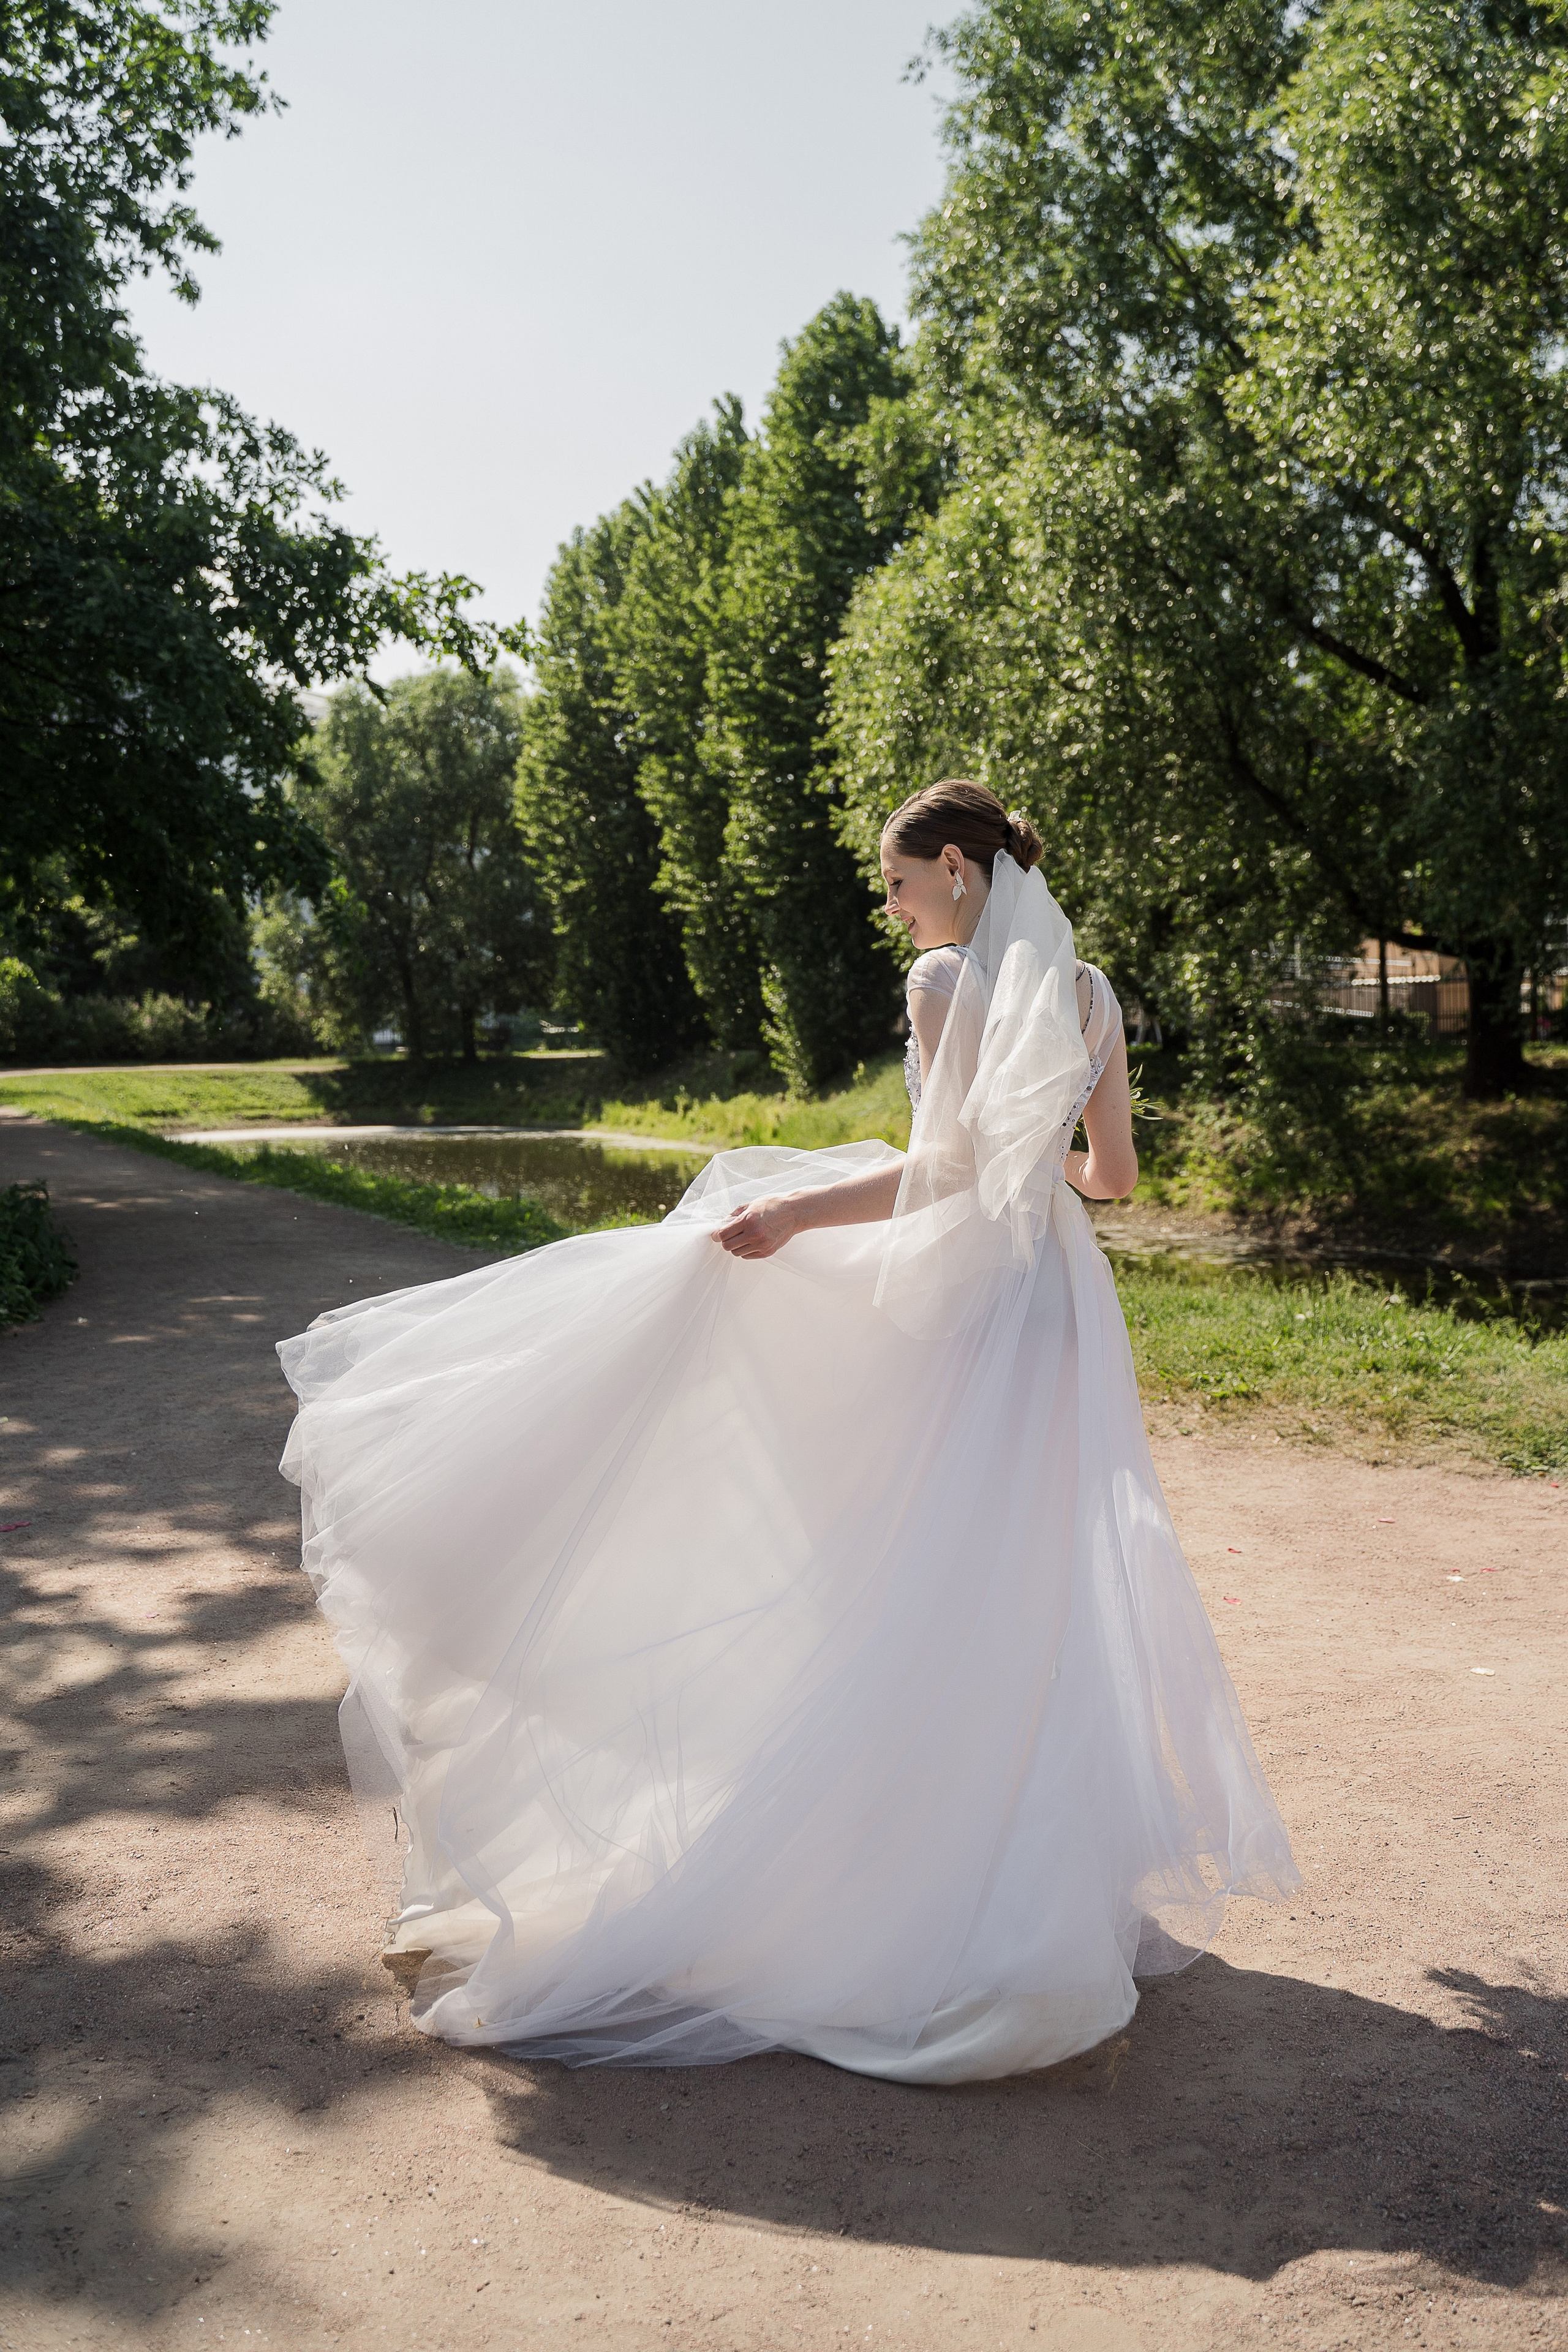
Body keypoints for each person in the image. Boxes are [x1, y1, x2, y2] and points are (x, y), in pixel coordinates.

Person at [277, 778, 1297, 2084]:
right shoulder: (1088, 994)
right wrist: (1021, 1165)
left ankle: (884, 1880)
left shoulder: (943, 985)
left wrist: (793, 1221)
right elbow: (1110, 1180)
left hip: (964, 1305)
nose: (892, 905)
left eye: (895, 881)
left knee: (888, 1553)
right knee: (1016, 1576)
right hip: (1055, 1302)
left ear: (952, 868)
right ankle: (1020, 1896)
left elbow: (935, 1174)